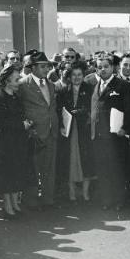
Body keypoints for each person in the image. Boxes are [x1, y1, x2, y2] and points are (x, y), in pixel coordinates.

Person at [91, 54, 130, 211]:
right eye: (99, 67)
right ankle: (106, 200)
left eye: (106, 66)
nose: (103, 69)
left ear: (113, 68)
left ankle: (118, 200)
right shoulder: (96, 86)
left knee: (117, 169)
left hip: (116, 136)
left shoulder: (122, 85)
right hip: (100, 137)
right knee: (103, 170)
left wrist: (125, 128)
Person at [0, 66, 33, 218]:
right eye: (16, 79)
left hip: (18, 141)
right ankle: (8, 206)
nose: (19, 82)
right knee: (7, 174)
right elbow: (0, 122)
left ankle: (15, 203)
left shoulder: (16, 97)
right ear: (7, 81)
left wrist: (26, 122)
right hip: (5, 143)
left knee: (17, 172)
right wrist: (22, 124)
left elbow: (19, 116)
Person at [18, 51, 59, 210]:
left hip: (50, 132)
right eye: (42, 66)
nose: (46, 69)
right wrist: (26, 126)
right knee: (33, 168)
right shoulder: (23, 84)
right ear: (33, 67)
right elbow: (19, 108)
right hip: (33, 134)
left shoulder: (51, 84)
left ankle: (48, 199)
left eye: (47, 66)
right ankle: (31, 200)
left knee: (49, 168)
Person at [56, 62, 95, 204]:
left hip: (84, 129)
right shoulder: (62, 90)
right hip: (69, 131)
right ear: (69, 76)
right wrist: (61, 125)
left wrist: (83, 112)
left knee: (86, 161)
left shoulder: (90, 89)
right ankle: (72, 192)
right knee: (70, 160)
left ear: (83, 75)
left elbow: (94, 109)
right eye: (74, 75)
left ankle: (85, 193)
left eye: (79, 75)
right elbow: (58, 111)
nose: (77, 77)